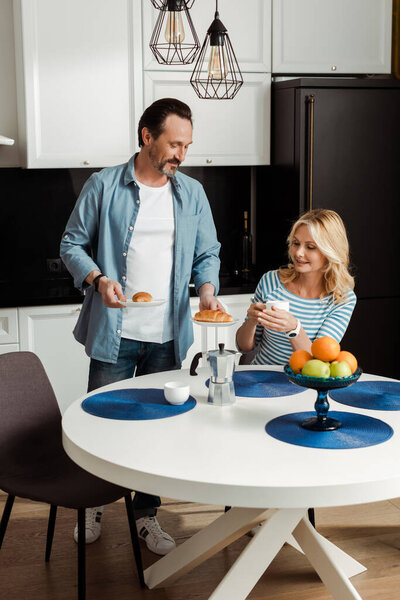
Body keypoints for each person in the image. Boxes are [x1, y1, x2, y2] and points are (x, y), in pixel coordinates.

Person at [60, 98, 222, 555]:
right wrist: (98, 278)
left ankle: (146, 516)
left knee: (158, 428)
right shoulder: (104, 185)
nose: (181, 155)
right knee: (103, 422)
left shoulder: (191, 193)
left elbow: (207, 252)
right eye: (174, 143)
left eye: (187, 146)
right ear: (147, 136)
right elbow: (71, 243)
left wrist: (206, 287)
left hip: (169, 336)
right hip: (114, 330)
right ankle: (92, 503)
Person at [236, 209, 356, 364]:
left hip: (306, 384)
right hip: (261, 377)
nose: (298, 253)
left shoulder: (342, 299)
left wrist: (294, 329)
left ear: (330, 252)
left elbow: (318, 362)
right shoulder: (270, 281)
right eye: (296, 243)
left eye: (310, 247)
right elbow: (244, 347)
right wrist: (251, 321)